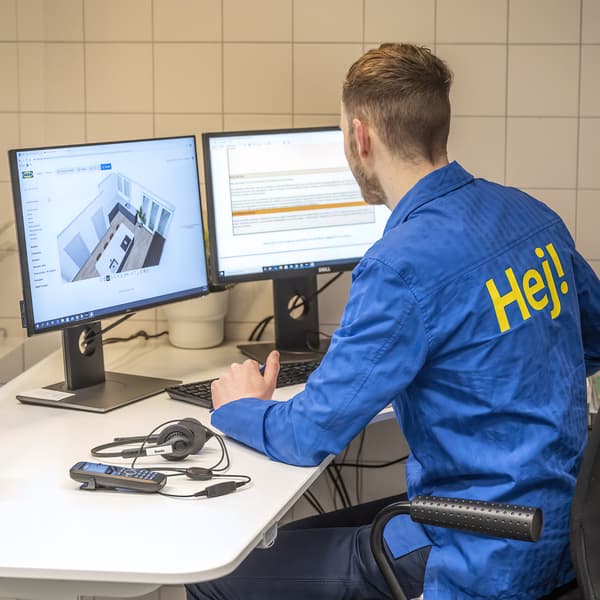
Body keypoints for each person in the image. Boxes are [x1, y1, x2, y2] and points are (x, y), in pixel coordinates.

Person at [186, 43, 600, 600]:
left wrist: (239, 407)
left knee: (217, 574)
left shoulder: (398, 263)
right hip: (567, 532)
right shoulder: (531, 216)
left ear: (361, 137)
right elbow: (589, 341)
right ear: (437, 126)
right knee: (274, 539)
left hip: (476, 551)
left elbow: (309, 434)